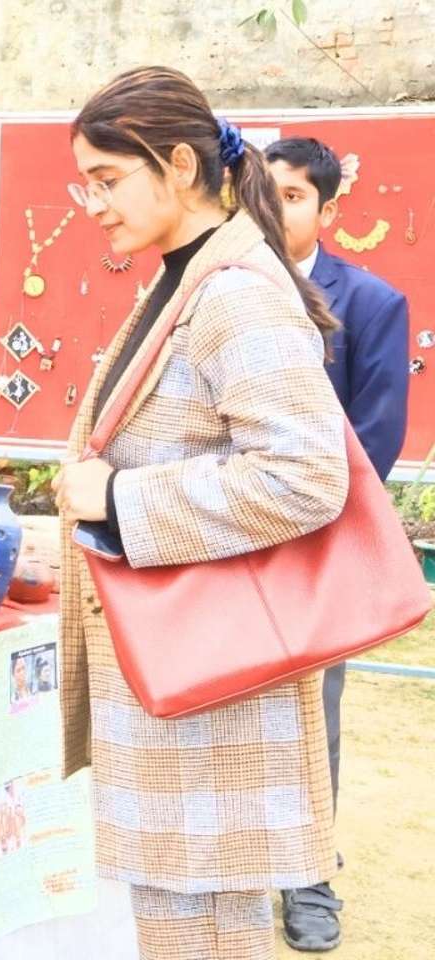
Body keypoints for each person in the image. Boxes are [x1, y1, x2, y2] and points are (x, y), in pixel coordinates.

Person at [53, 67, 348, 960]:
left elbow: (305, 476)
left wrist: (118, 498)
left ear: (178, 166)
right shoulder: (190, 277)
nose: (92, 204)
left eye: (107, 179)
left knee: (206, 936)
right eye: (86, 182)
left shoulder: (235, 290)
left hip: (212, 689)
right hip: (182, 677)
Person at [266, 136, 410, 952]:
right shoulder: (217, 291)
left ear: (326, 207)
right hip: (220, 542)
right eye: (265, 192)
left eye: (293, 196)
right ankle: (238, 860)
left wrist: (294, 515)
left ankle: (309, 879)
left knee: (309, 712)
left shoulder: (370, 302)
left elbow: (376, 436)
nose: (276, 208)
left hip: (317, 543)